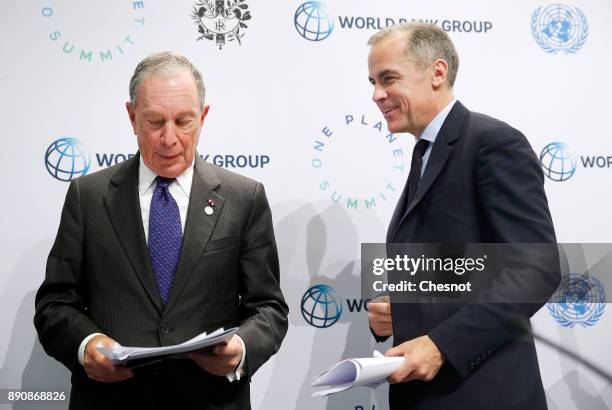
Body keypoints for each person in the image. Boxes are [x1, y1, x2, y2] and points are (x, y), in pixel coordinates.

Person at [34, 51, 288, 410]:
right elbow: (55, 304)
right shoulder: (87, 197)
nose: (169, 138)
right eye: (154, 121)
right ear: (131, 116)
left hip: (211, 399)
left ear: (203, 117)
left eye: (184, 121)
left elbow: (269, 308)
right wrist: (86, 344)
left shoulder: (244, 198)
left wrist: (241, 348)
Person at [366, 23, 559, 409]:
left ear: (437, 72)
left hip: (483, 394)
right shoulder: (424, 153)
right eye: (372, 81)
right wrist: (401, 310)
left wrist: (440, 345)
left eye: (388, 79)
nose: (376, 95)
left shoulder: (493, 143)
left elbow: (536, 270)